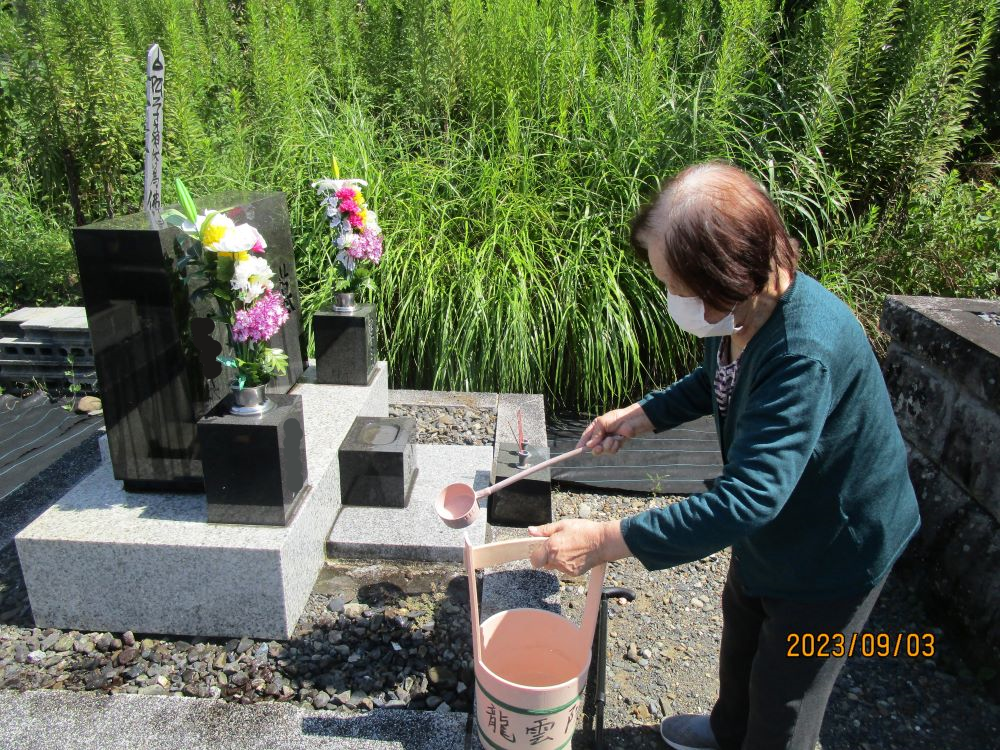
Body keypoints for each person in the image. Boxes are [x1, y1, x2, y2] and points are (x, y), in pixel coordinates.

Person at [527, 162, 920, 750]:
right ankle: (725, 728)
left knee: (786, 692)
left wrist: (605, 538)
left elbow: (748, 498)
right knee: (742, 628)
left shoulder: (800, 352)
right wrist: (641, 416)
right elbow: (718, 377)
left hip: (837, 548)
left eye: (678, 289)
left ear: (727, 276)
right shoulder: (747, 312)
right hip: (782, 523)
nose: (671, 300)